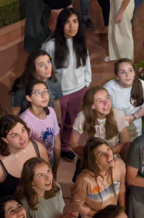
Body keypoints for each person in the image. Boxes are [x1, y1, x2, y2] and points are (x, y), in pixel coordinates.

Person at [42, 8, 92, 162]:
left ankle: (64, 147)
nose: (72, 26)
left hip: (79, 90)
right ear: (61, 25)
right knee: (55, 125)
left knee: (71, 123)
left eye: (75, 21)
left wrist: (86, 82)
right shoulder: (51, 45)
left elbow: (86, 63)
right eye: (67, 22)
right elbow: (44, 69)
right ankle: (49, 153)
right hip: (60, 94)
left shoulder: (80, 42)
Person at [0, 115, 49, 213]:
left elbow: (49, 174)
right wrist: (20, 207)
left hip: (38, 207)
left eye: (23, 130)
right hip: (11, 215)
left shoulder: (38, 148)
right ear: (4, 139)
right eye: (14, 135)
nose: (22, 137)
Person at [71, 86, 131, 158]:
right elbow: (74, 143)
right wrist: (91, 155)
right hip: (91, 157)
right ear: (92, 106)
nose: (106, 103)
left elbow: (125, 143)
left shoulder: (118, 115)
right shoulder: (82, 117)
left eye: (107, 98)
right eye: (100, 101)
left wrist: (106, 153)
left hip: (112, 155)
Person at [103, 59, 144, 140]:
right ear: (116, 76)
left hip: (134, 127)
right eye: (123, 72)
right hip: (113, 126)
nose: (127, 75)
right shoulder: (108, 89)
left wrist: (132, 117)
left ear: (134, 73)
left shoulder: (143, 86)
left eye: (130, 70)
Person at [20, 80, 62, 174]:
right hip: (34, 166)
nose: (44, 95)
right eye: (38, 93)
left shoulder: (51, 112)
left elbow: (57, 141)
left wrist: (55, 168)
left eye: (45, 91)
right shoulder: (25, 121)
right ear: (28, 98)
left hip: (49, 160)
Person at [10, 49, 63, 117]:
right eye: (41, 65)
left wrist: (58, 122)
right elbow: (15, 111)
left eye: (48, 62)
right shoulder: (21, 87)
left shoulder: (55, 80)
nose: (47, 68)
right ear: (33, 69)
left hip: (48, 118)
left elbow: (56, 102)